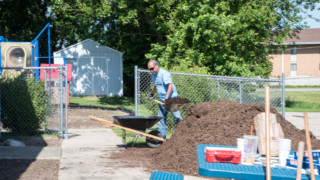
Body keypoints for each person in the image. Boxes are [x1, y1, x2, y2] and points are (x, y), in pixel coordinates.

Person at [147, 60, 182, 139]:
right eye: (149, 69)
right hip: (162, 100)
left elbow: (170, 86)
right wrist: (152, 94)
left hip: (172, 99)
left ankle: (183, 136)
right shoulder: (154, 74)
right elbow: (157, 85)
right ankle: (162, 139)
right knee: (161, 119)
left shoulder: (164, 73)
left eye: (152, 68)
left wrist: (166, 99)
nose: (151, 71)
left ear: (157, 66)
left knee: (177, 118)